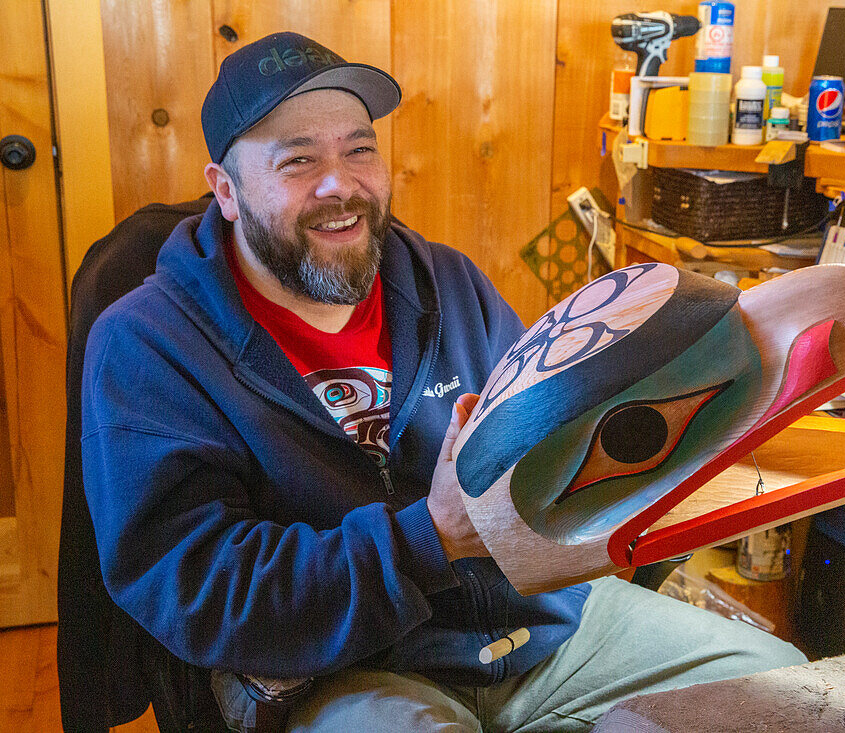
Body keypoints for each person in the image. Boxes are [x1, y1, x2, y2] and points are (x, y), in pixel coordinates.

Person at [80, 31, 805, 732]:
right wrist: (430, 537)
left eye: (359, 149)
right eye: (298, 161)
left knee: (786, 687)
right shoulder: (148, 344)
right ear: (226, 192)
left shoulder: (449, 283)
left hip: (544, 626)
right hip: (342, 664)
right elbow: (200, 589)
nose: (341, 184)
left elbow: (553, 451)